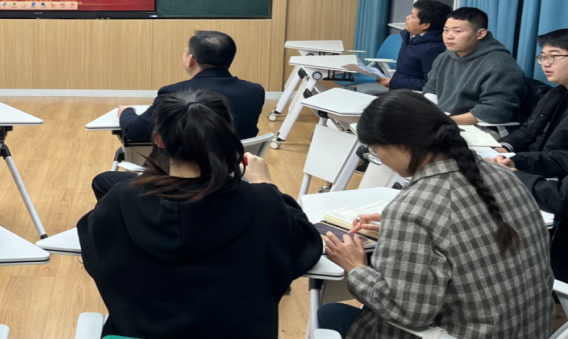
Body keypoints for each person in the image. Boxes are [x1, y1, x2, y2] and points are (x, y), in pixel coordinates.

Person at [77, 90, 321, 339]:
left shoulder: (120, 200)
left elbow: (95, 253)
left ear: (159, 139)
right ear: (226, 137)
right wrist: (266, 186)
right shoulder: (263, 203)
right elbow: (305, 246)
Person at [318, 90, 553, 339]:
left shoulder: (412, 209)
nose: (380, 159)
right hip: (533, 329)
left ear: (401, 146)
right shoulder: (505, 176)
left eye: (375, 150)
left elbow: (408, 313)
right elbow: (471, 230)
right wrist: (401, 234)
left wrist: (355, 268)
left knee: (330, 314)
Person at [92, 30, 266, 198]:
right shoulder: (255, 91)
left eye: (185, 51)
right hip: (231, 175)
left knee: (103, 181)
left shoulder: (175, 93)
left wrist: (126, 112)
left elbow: (136, 131)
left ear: (191, 59)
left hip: (181, 181)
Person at [487, 29, 568, 216]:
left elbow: (561, 199)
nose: (545, 63)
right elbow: (560, 156)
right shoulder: (556, 93)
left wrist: (513, 176)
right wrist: (513, 160)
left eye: (553, 56)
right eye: (543, 57)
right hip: (542, 175)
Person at [422, 7, 526, 125]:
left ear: (480, 34)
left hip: (479, 127)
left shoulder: (500, 64)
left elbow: (494, 111)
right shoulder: (445, 57)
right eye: (445, 30)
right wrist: (431, 114)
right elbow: (431, 88)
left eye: (457, 31)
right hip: (444, 120)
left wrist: (443, 121)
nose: (448, 36)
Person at [375, 0, 450, 91]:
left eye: (412, 16)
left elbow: (430, 84)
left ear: (425, 25)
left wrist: (394, 82)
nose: (407, 17)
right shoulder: (409, 37)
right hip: (399, 91)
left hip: (412, 96)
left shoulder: (433, 49)